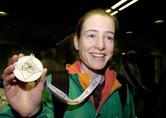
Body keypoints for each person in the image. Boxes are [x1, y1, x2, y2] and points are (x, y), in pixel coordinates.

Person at [0, 8, 135, 118]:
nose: (100, 45)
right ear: (77, 42)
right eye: (92, 35)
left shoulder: (122, 88)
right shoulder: (52, 84)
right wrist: (29, 115)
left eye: (109, 37)